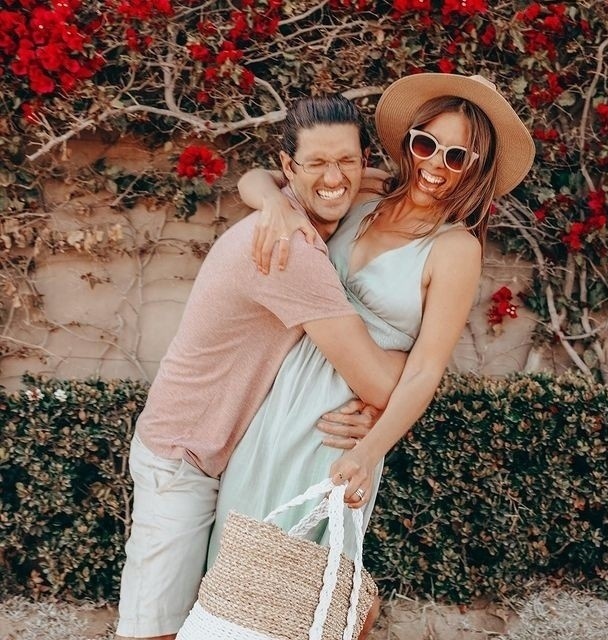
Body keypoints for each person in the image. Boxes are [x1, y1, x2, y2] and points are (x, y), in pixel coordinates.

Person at [207, 72, 535, 586]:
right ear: (410, 142)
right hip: (277, 405)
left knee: (297, 590)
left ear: (476, 168)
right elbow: (262, 178)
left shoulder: (456, 248)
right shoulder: (362, 198)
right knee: (229, 575)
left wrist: (368, 451)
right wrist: (271, 202)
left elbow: (426, 368)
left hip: (339, 430)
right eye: (427, 145)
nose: (435, 164)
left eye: (456, 156)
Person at [115, 95, 410, 640]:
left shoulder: (316, 203)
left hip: (234, 454)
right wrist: (422, 363)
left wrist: (267, 192)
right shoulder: (290, 250)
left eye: (346, 161)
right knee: (159, 630)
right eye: (316, 163)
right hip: (183, 454)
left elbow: (277, 179)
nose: (334, 177)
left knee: (228, 617)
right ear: (289, 166)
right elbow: (376, 381)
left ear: (363, 160)